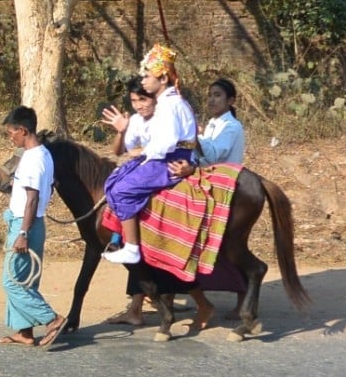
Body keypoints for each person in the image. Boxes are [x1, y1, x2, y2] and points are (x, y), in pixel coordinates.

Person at [102, 44, 197, 266]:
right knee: (115, 180)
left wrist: (146, 156)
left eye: (147, 76)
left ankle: (132, 247)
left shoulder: (169, 104)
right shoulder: (167, 102)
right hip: (164, 156)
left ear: (163, 78)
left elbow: (166, 142)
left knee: (122, 189)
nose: (143, 80)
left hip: (169, 160)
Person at [169, 78, 247, 321]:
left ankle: (244, 299)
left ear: (231, 100)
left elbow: (213, 154)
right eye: (210, 95)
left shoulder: (231, 127)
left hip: (223, 185)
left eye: (218, 95)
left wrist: (194, 135)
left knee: (227, 248)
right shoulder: (213, 124)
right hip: (206, 181)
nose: (212, 99)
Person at [0, 106, 66, 348]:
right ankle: (25, 332)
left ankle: (52, 318)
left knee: (12, 281)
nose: (10, 137)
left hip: (26, 224)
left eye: (11, 132)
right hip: (30, 222)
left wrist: (23, 233)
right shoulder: (42, 154)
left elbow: (32, 199)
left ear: (23, 130)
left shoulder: (34, 160)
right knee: (24, 280)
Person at [99, 78, 157, 326]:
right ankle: (119, 239)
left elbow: (159, 150)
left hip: (157, 170)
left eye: (143, 99)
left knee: (122, 193)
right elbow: (118, 151)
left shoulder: (164, 119)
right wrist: (121, 131)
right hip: (138, 171)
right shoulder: (133, 120)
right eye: (134, 101)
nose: (139, 105)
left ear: (155, 97)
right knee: (112, 192)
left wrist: (139, 152)